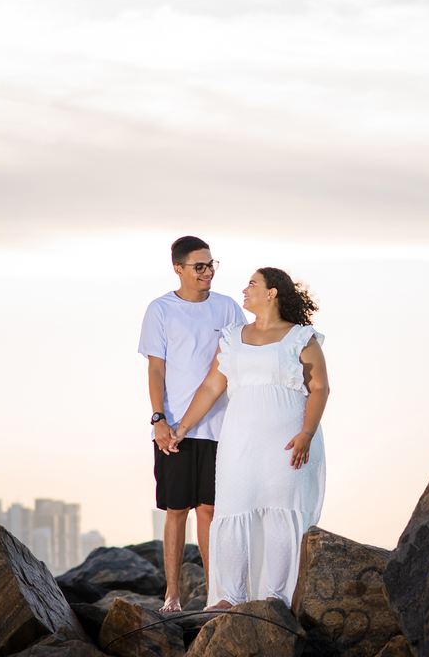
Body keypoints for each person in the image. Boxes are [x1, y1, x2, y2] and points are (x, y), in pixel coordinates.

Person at [170, 267, 329, 609]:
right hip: (239, 440)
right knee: (234, 506)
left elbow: (319, 388)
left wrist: (307, 433)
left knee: (280, 511)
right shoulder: (232, 337)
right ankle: (230, 596)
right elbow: (211, 386)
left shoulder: (301, 337)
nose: (244, 289)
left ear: (272, 292)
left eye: (252, 284)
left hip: (290, 441)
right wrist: (181, 428)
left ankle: (278, 597)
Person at [137, 235, 247, 612]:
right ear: (179, 269)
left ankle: (216, 593)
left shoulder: (228, 308)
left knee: (210, 511)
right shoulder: (160, 310)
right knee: (176, 510)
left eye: (211, 265)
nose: (207, 272)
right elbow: (155, 369)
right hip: (173, 428)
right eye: (199, 266)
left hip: (220, 427)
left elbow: (238, 363)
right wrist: (158, 418)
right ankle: (172, 595)